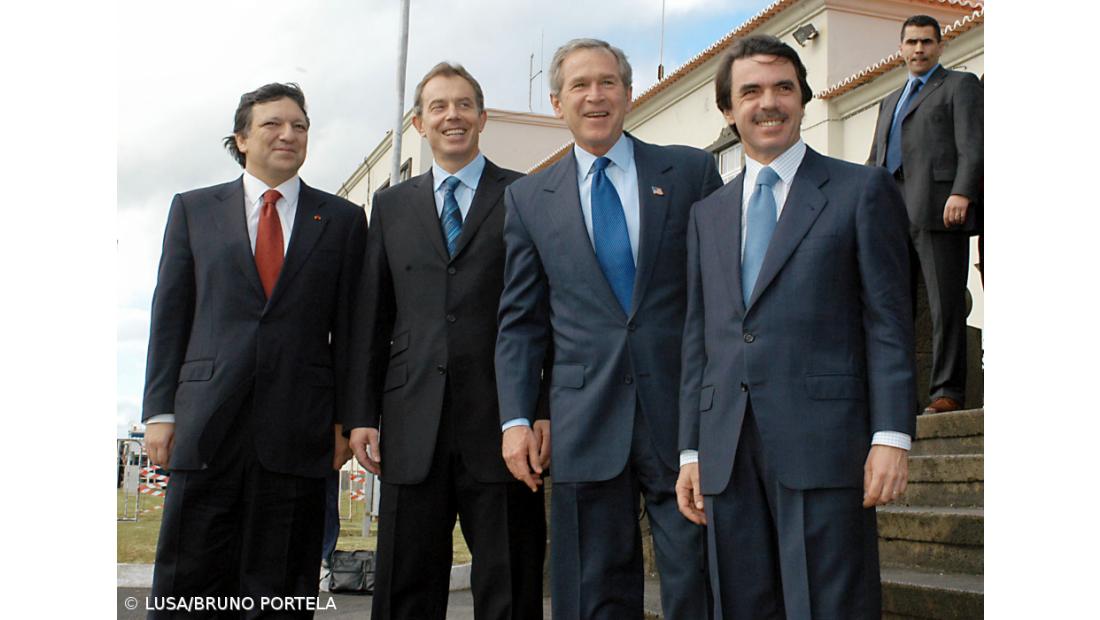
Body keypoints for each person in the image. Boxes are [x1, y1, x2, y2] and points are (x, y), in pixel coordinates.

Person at [675, 35, 916, 618]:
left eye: (784, 88)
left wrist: (891, 435)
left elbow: (889, 320)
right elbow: (698, 336)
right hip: (727, 448)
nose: (769, 103)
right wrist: (689, 448)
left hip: (825, 444)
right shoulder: (707, 214)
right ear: (728, 112)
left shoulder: (861, 190)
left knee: (831, 605)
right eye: (751, 91)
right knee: (741, 603)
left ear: (803, 100)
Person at [495, 38, 723, 620]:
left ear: (627, 92)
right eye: (579, 86)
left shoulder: (693, 172)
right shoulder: (527, 199)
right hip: (583, 419)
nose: (595, 96)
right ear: (557, 102)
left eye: (607, 83)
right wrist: (518, 417)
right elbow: (521, 321)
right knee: (591, 586)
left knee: (697, 577)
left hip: (683, 414)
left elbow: (721, 292)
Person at [141, 82, 367, 618]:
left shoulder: (339, 220)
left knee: (281, 586)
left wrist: (347, 420)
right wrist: (160, 412)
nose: (289, 135)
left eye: (300, 126)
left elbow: (353, 330)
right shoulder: (193, 211)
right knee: (188, 584)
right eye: (273, 124)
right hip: (204, 427)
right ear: (241, 138)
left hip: (299, 430)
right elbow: (169, 316)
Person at [345, 62, 547, 620]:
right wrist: (361, 414)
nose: (451, 116)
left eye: (463, 105)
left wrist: (541, 410)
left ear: (482, 118)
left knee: (511, 581)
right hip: (411, 427)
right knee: (405, 584)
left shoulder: (527, 196)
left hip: (505, 425)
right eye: (438, 107)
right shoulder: (390, 205)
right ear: (419, 122)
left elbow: (547, 315)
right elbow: (373, 316)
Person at [867, 14, 984, 414]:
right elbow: (874, 163)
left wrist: (963, 191)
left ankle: (947, 392)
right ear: (900, 48)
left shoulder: (959, 85)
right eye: (912, 42)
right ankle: (900, 397)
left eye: (927, 42)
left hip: (939, 210)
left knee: (945, 304)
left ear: (940, 46)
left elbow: (973, 143)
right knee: (893, 308)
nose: (919, 49)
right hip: (891, 216)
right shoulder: (888, 101)